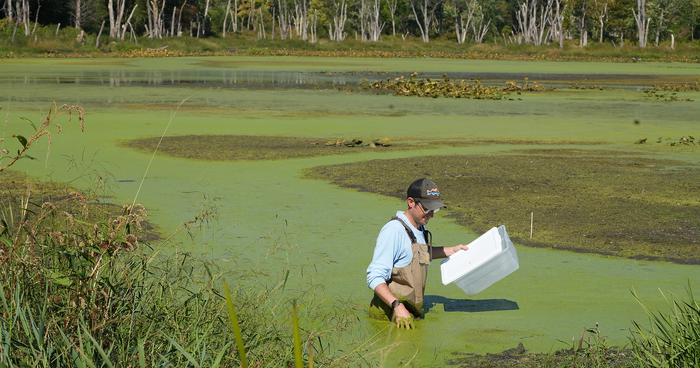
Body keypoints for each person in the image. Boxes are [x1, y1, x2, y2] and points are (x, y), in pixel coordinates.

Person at [367, 178, 469, 329]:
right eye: (427, 209)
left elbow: (418, 254)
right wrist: (397, 305)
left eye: (435, 210)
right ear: (410, 202)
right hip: (389, 317)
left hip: (411, 314)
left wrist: (452, 250)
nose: (431, 215)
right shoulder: (394, 231)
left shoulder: (419, 228)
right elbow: (374, 277)